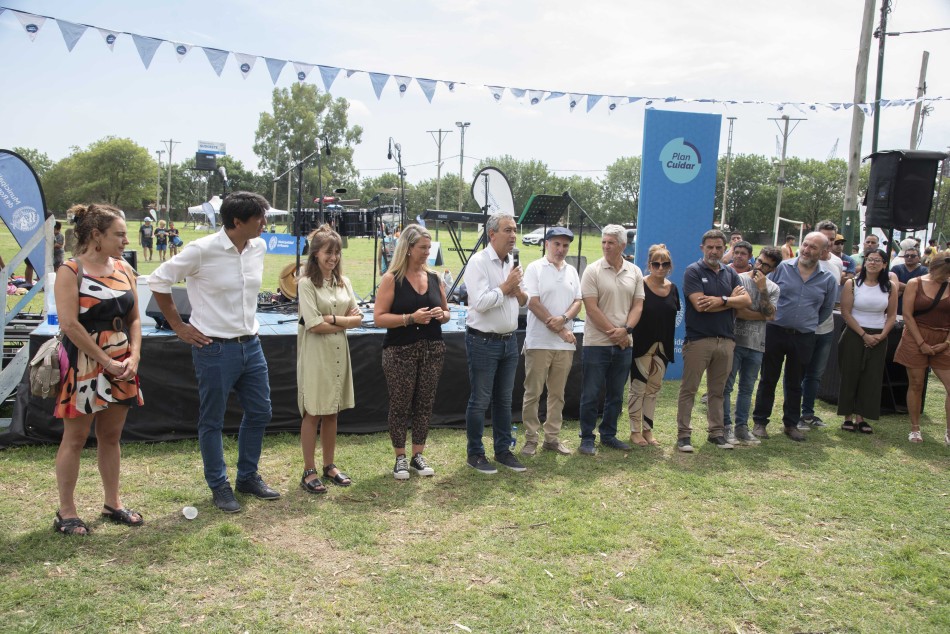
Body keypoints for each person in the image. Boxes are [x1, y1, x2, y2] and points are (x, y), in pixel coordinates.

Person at [149, 192, 280, 513]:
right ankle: (218, 484)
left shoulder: (258, 247)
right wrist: (179, 326)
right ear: (237, 222)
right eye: (259, 217)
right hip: (214, 349)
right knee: (212, 420)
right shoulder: (202, 250)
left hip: (251, 344)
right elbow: (159, 280)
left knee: (261, 412)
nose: (265, 222)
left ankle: (247, 477)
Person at [52, 203, 144, 535]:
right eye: (119, 234)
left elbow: (135, 318)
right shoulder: (71, 270)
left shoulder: (124, 268)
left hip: (122, 362)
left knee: (111, 436)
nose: (125, 240)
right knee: (75, 437)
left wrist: (133, 357)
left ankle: (112, 504)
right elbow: (70, 325)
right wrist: (105, 361)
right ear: (96, 236)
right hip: (86, 362)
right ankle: (66, 512)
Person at [373, 224, 449, 479]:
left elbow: (447, 313)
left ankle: (418, 454)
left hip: (432, 348)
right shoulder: (391, 279)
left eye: (429, 247)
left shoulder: (435, 278)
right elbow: (379, 318)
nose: (428, 252)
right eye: (422, 248)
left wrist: (442, 314)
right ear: (407, 249)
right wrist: (410, 318)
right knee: (400, 404)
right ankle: (400, 457)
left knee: (425, 403)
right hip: (399, 351)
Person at [751, 232, 837, 442]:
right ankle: (760, 422)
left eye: (813, 247)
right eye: (805, 245)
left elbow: (826, 310)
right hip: (775, 331)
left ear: (823, 252)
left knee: (795, 382)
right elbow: (764, 290)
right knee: (768, 378)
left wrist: (806, 323)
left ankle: (791, 424)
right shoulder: (781, 268)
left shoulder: (828, 279)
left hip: (804, 336)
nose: (807, 250)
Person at [297, 225, 363, 492]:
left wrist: (334, 319)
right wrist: (344, 321)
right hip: (316, 355)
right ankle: (308, 470)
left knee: (332, 411)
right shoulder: (305, 284)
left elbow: (359, 318)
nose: (333, 257)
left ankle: (329, 465)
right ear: (315, 254)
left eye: (337, 252)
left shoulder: (343, 282)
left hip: (338, 352)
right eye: (328, 252)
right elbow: (313, 325)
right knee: (314, 411)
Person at [463, 213, 529, 474]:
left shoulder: (512, 263)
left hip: (509, 341)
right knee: (480, 400)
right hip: (483, 341)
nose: (513, 235)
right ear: (492, 234)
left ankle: (503, 450)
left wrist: (517, 291)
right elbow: (479, 303)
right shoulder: (478, 263)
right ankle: (475, 454)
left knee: (503, 400)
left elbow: (524, 302)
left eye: (515, 230)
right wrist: (505, 288)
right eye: (507, 230)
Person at [675, 229, 751, 452]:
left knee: (718, 392)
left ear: (724, 248)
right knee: (689, 389)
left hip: (726, 341)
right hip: (699, 340)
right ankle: (683, 435)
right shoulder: (693, 271)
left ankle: (716, 433)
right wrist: (731, 301)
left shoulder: (730, 273)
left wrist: (721, 299)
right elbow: (700, 305)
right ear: (702, 248)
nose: (714, 251)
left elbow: (745, 300)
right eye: (710, 247)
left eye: (719, 247)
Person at [578, 224, 645, 455]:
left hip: (625, 343)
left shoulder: (635, 272)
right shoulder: (592, 271)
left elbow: (638, 305)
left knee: (615, 395)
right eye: (604, 242)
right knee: (591, 394)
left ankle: (609, 434)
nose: (606, 246)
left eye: (611, 242)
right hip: (597, 343)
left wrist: (626, 330)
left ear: (623, 245)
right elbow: (591, 308)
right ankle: (586, 437)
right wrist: (616, 333)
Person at [520, 227, 582, 456]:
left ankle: (552, 439)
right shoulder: (535, 268)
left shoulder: (572, 271)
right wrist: (560, 329)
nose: (561, 249)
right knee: (533, 393)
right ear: (546, 244)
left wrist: (564, 320)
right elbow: (533, 303)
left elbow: (578, 301)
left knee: (557, 394)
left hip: (564, 345)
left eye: (565, 245)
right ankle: (530, 438)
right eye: (557, 244)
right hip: (538, 343)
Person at [722, 247, 781, 446]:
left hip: (757, 344)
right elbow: (737, 311)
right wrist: (761, 315)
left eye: (767, 266)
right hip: (735, 340)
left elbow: (771, 315)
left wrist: (762, 289)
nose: (761, 267)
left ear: (773, 269)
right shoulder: (739, 279)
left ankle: (742, 427)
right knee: (727, 387)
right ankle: (725, 426)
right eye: (760, 261)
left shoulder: (773, 288)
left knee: (747, 389)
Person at [837, 248, 898, 434]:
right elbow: (846, 312)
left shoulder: (890, 287)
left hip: (879, 336)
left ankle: (861, 417)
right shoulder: (852, 284)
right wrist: (863, 335)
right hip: (854, 334)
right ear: (864, 262)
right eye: (870, 259)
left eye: (877, 260)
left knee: (871, 377)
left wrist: (882, 335)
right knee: (850, 374)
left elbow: (892, 315)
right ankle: (847, 416)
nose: (872, 263)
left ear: (884, 264)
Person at [895, 250, 950, 445]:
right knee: (916, 384)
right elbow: (907, 315)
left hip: (943, 338)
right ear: (934, 267)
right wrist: (921, 343)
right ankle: (915, 429)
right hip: (915, 336)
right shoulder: (915, 283)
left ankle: (949, 431)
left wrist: (946, 343)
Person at [627, 244, 679, 447]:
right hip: (641, 345)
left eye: (664, 264)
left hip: (663, 347)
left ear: (670, 266)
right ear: (649, 265)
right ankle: (634, 431)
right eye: (656, 264)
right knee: (637, 388)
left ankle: (648, 429)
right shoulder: (640, 285)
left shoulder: (673, 289)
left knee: (653, 389)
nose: (660, 267)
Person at [798, 220, 844, 430]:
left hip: (825, 329)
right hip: (802, 330)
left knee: (815, 374)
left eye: (832, 240)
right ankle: (793, 412)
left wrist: (820, 320)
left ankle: (807, 413)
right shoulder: (798, 262)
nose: (829, 244)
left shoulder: (837, 263)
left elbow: (831, 301)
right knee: (797, 372)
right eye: (824, 239)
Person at [891, 245, 928, 315]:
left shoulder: (925, 271)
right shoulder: (896, 269)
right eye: (907, 256)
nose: (909, 257)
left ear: (919, 258)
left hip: (916, 309)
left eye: (913, 256)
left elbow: (923, 289)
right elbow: (894, 286)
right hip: (897, 308)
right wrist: (913, 288)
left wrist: (902, 287)